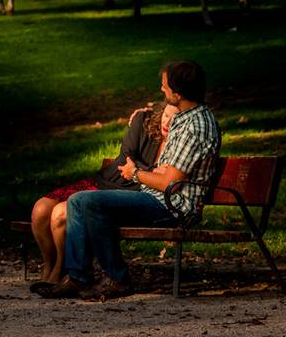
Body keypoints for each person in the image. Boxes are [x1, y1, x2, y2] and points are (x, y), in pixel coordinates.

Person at [38, 60, 221, 300]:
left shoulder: (196, 126)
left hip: (174, 206)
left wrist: (136, 173)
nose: (162, 90)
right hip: (156, 197)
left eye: (165, 86)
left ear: (178, 92)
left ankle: (118, 278)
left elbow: (169, 183)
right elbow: (165, 172)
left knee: (90, 202)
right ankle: (78, 277)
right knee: (77, 201)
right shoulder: (185, 118)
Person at [29, 102, 179, 286]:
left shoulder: (179, 144)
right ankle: (49, 265)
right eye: (165, 115)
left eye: (174, 119)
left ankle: (60, 269)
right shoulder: (143, 121)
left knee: (60, 213)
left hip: (125, 193)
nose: (166, 123)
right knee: (41, 209)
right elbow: (126, 157)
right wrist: (152, 171)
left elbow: (167, 178)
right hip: (105, 181)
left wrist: (141, 172)